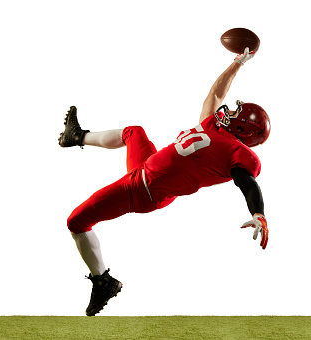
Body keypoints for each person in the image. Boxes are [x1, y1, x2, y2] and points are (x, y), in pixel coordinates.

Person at [58, 47, 270, 316]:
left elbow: (247, 183)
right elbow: (216, 93)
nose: (227, 111)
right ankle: (76, 137)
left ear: (242, 129)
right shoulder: (211, 126)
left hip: (142, 189)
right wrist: (237, 63)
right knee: (134, 132)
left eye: (235, 115)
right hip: (147, 169)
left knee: (75, 221)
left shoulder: (237, 154)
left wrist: (258, 212)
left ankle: (103, 281)